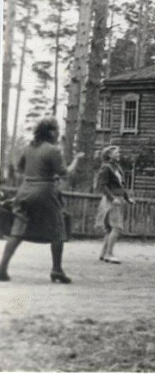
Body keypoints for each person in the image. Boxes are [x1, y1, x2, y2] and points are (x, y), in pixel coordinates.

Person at [0, 117, 84, 283]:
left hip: (24, 191)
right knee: (58, 229)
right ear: (50, 132)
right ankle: (57, 270)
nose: (58, 133)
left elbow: (19, 168)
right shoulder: (53, 150)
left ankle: (2, 268)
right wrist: (76, 159)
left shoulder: (28, 148)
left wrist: (33, 175)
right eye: (56, 130)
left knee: (18, 230)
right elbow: (64, 173)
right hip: (45, 192)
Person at [95, 146, 134, 264]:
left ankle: (103, 253)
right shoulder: (106, 168)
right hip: (112, 200)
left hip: (118, 198)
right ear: (109, 154)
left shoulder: (116, 167)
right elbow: (102, 186)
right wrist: (112, 199)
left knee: (110, 228)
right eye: (116, 152)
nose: (119, 154)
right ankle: (109, 254)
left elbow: (120, 186)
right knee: (116, 227)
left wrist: (127, 198)